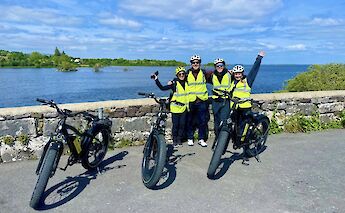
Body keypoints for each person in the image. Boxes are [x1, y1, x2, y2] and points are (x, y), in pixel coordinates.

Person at [230, 51, 265, 153]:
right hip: (234, 108)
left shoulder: (247, 81)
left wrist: (259, 58)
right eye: (236, 74)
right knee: (233, 126)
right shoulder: (232, 82)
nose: (237, 75)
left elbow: (254, 71)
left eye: (239, 74)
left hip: (245, 107)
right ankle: (234, 141)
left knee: (244, 128)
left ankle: (246, 148)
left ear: (242, 74)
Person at [152, 66, 189, 148]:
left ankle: (179, 139)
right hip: (175, 108)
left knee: (182, 125)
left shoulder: (187, 83)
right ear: (177, 75)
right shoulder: (174, 84)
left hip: (184, 108)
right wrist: (156, 79)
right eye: (180, 74)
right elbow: (162, 88)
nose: (182, 75)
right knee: (176, 125)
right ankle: (175, 140)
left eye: (183, 74)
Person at [186, 55, 208, 147]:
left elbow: (217, 74)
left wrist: (228, 71)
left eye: (197, 62)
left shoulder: (204, 73)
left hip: (201, 100)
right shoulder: (187, 73)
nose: (195, 64)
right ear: (191, 64)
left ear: (200, 63)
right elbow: (180, 80)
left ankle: (201, 138)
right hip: (191, 100)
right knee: (190, 121)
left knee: (202, 121)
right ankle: (190, 138)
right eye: (193, 63)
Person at [209, 58, 232, 139]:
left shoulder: (229, 74)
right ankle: (218, 137)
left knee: (224, 119)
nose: (219, 67)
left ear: (224, 66)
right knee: (217, 120)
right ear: (215, 66)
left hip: (225, 100)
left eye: (221, 65)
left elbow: (240, 77)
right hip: (215, 100)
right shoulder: (212, 75)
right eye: (217, 66)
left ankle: (224, 138)